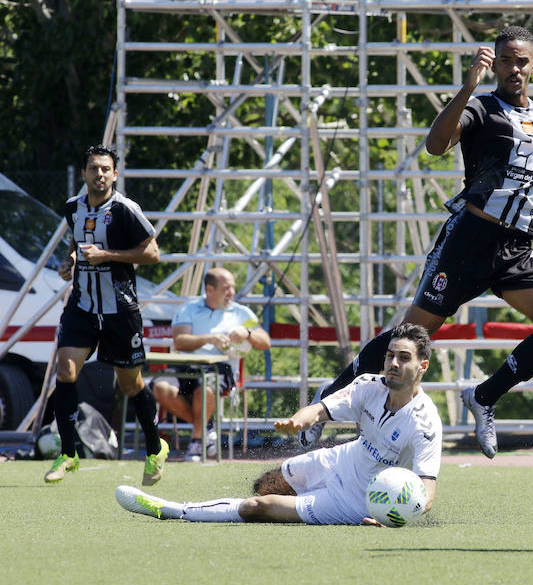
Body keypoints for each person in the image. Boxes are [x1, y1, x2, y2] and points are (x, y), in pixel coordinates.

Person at [299, 25, 533, 459]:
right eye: (505, 60)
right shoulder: (482, 109)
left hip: (515, 250)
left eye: (522, 61)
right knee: (410, 336)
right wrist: (468, 87)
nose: (514, 69)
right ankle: (325, 402)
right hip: (469, 244)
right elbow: (435, 145)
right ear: (496, 65)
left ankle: (483, 396)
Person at [115, 323, 441, 525]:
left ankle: (173, 510)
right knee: (266, 484)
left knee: (260, 506)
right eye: (390, 356)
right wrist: (296, 422)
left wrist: (394, 516)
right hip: (343, 459)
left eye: (404, 358)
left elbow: (426, 493)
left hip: (358, 500)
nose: (393, 363)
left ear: (423, 366)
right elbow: (319, 410)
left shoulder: (425, 423)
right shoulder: (369, 384)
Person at [45, 145, 168, 485]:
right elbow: (76, 239)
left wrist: (107, 255)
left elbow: (153, 253)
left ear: (114, 174)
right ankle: (69, 453)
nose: (99, 174)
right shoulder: (73, 207)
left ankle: (155, 448)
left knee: (131, 385)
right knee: (66, 371)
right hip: (82, 307)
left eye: (105, 169)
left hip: (120, 311)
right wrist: (70, 259)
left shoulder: (126, 209)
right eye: (93, 168)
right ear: (84, 173)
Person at [150, 267, 271, 461]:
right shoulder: (188, 308)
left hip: (220, 368)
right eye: (226, 288)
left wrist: (248, 333)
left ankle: (197, 442)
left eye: (232, 287)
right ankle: (206, 428)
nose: (231, 292)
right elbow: (180, 341)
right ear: (210, 289)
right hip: (186, 364)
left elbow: (265, 342)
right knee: (160, 387)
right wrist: (209, 339)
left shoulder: (241, 313)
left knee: (205, 390)